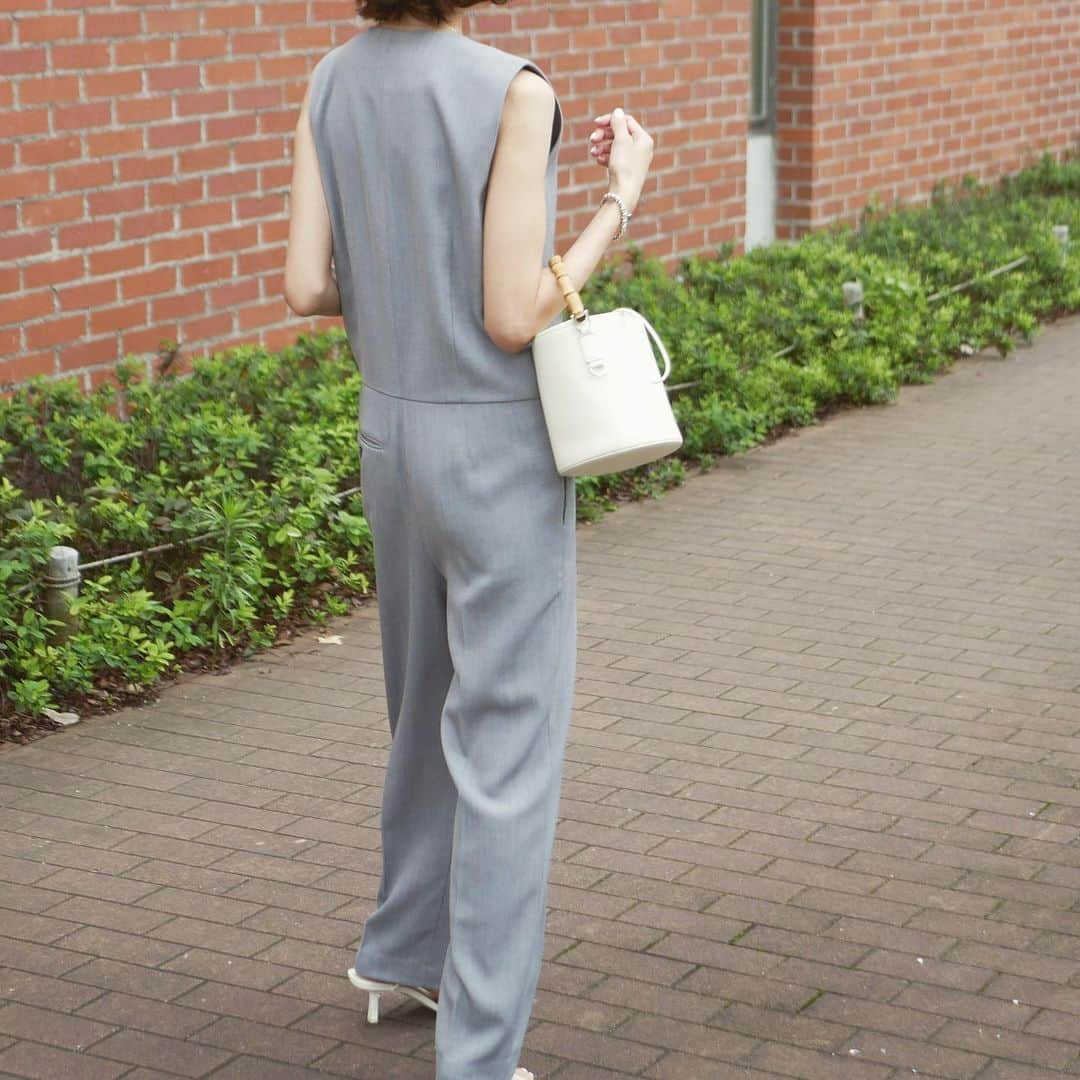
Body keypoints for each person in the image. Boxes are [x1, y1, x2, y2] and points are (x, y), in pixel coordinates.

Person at [283, 2, 654, 1077]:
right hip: (493, 453)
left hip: (390, 433)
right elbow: (514, 311)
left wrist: (407, 264)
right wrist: (619, 198)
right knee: (506, 758)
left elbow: (307, 284)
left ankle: (404, 950)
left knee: (423, 711)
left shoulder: (328, 81)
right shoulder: (514, 87)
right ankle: (479, 1056)